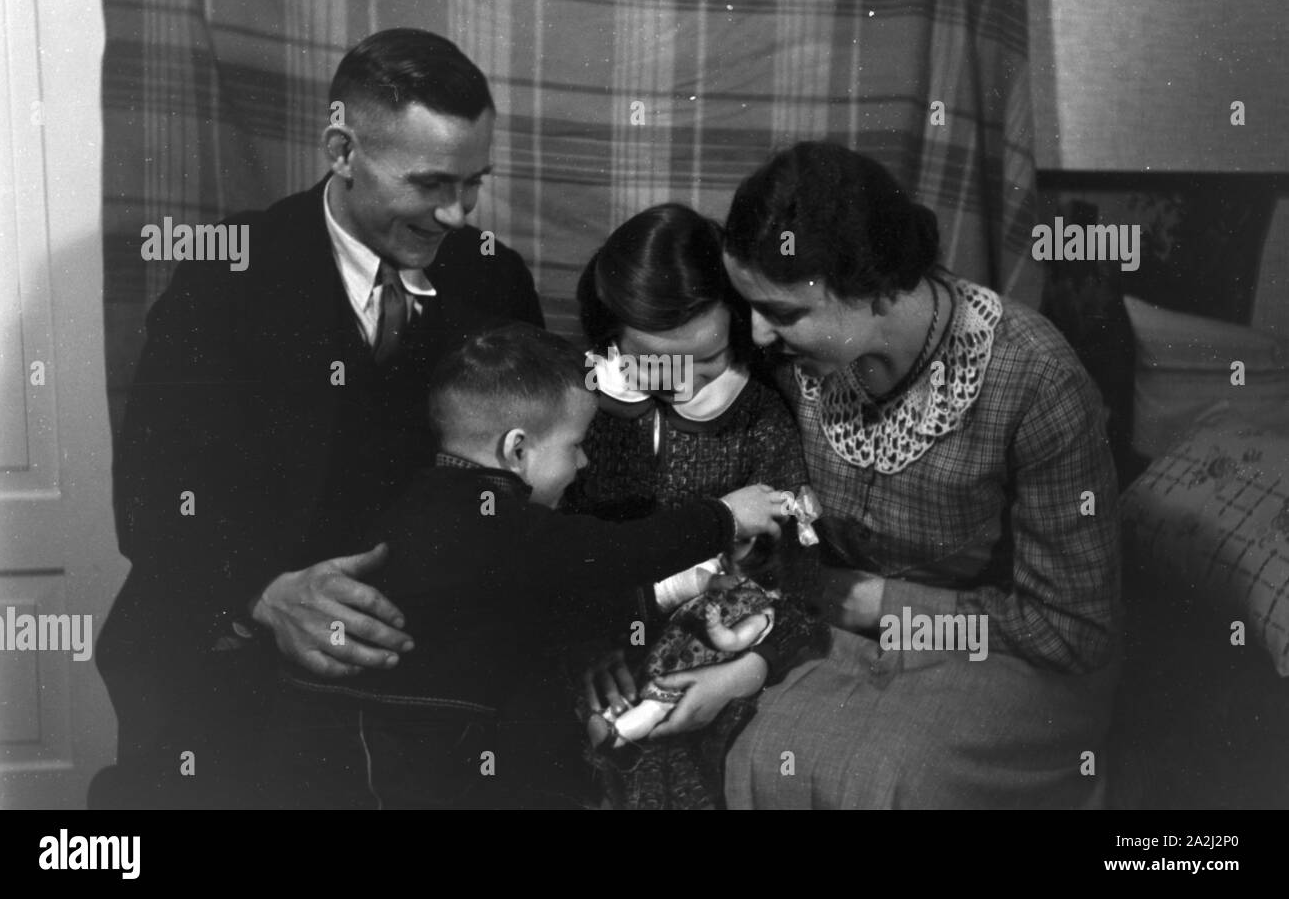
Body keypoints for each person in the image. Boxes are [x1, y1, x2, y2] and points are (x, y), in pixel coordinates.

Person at [93, 29, 544, 808]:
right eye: (431, 181)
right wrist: (265, 594)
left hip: (420, 654)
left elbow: (539, 471)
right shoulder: (224, 274)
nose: (455, 212)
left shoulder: (493, 276)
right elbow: (152, 492)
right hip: (237, 644)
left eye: (475, 183)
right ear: (342, 150)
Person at [709, 142, 1122, 808]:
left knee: (893, 779)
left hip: (1011, 656)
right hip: (842, 630)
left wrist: (871, 601)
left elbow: (1072, 629)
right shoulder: (793, 365)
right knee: (758, 753)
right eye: (750, 305)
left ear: (876, 288)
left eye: (783, 313)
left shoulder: (1036, 378)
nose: (755, 334)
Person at [265, 323, 790, 808]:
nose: (583, 464)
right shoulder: (498, 519)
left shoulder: (417, 501)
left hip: (336, 724)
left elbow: (546, 602)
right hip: (410, 744)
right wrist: (724, 516)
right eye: (577, 445)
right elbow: (616, 553)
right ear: (517, 450)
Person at [565, 204, 829, 809]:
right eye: (657, 361)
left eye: (708, 358)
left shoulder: (759, 419)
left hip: (723, 652)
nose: (684, 384)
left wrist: (746, 669)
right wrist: (583, 641)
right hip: (597, 644)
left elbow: (802, 587)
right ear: (611, 339)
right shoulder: (577, 407)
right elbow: (548, 552)